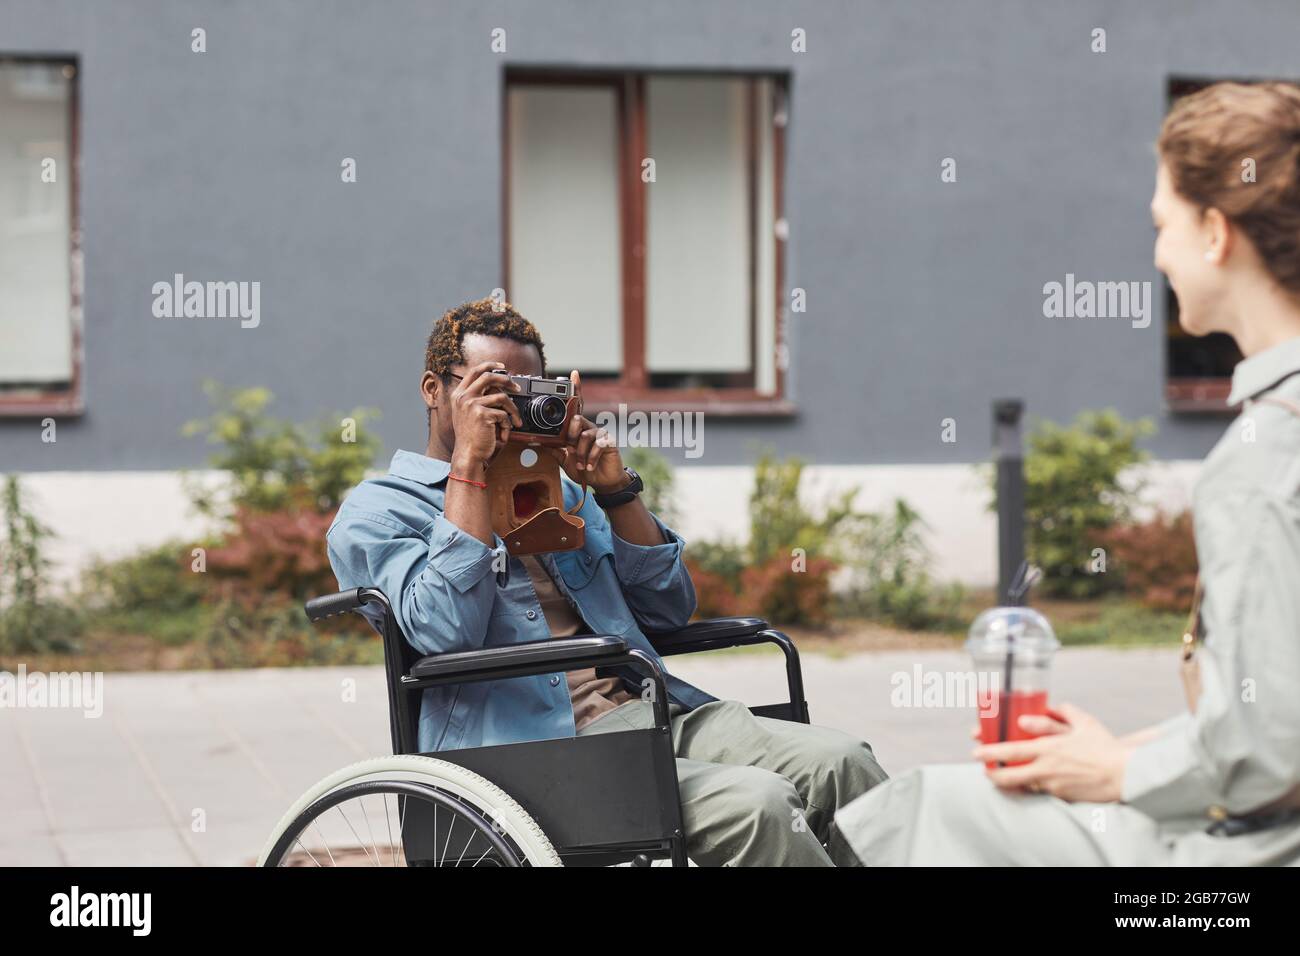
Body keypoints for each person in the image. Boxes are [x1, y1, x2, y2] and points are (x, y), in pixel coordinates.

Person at [833, 81, 1300, 865]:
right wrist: (1141, 747)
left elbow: (1273, 750)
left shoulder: (1260, 462)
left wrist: (1123, 769)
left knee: (930, 806)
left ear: (1217, 233)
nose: (1157, 256)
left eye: (1164, 225)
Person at [326, 296, 887, 866]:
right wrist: (469, 467)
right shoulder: (378, 512)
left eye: (527, 391)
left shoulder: (563, 491)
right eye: (492, 388)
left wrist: (616, 493)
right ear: (434, 391)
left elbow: (668, 612)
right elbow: (445, 631)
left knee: (843, 762)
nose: (511, 407)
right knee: (760, 804)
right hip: (532, 754)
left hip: (651, 714)